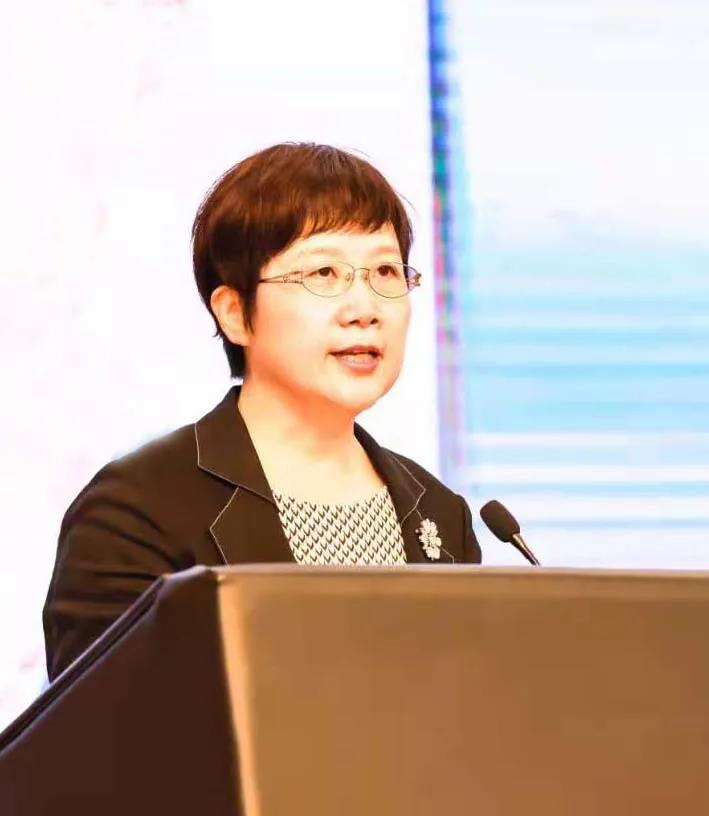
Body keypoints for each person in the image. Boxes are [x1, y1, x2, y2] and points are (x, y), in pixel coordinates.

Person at [43, 142, 481, 681]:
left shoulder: (441, 513)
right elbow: (106, 724)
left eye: (386, 272)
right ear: (235, 313)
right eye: (324, 273)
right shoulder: (138, 511)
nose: (365, 309)